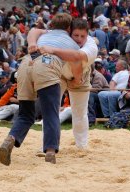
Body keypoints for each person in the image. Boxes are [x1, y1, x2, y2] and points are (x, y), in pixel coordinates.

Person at [0, 13, 81, 166]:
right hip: (47, 64)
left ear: (52, 25)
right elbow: (77, 62)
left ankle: (10, 139)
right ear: (69, 28)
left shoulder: (46, 33)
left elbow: (34, 31)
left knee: (25, 114)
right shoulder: (72, 43)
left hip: (25, 63)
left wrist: (31, 42)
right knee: (51, 113)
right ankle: (50, 151)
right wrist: (76, 81)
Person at [34, 18, 98, 149]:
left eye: (83, 36)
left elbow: (76, 57)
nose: (79, 39)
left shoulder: (91, 46)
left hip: (81, 76)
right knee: (51, 109)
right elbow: (34, 32)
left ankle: (82, 146)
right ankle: (47, 145)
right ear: (69, 32)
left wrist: (53, 50)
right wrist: (32, 46)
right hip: (60, 74)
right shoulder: (58, 36)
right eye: (76, 35)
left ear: (88, 35)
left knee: (79, 112)